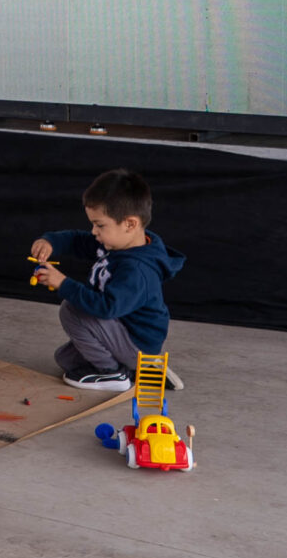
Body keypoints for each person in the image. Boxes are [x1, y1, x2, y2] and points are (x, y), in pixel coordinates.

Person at [28, 168, 182, 393]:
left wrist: (63, 283)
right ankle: (143, 370)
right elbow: (78, 240)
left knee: (71, 310)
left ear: (130, 224)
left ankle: (114, 374)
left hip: (136, 342)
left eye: (99, 225)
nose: (93, 231)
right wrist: (50, 242)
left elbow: (106, 307)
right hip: (121, 332)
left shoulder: (137, 270)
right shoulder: (118, 242)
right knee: (66, 360)